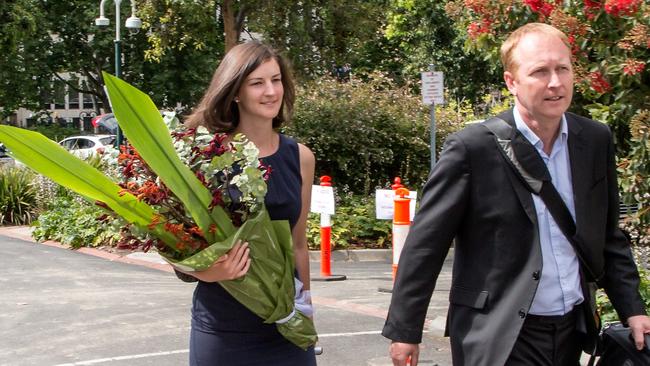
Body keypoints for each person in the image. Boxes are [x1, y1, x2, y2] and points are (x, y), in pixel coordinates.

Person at [382, 22, 650, 366]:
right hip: (499, 333)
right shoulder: (471, 149)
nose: (555, 82)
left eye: (563, 69)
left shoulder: (595, 139)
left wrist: (632, 308)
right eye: (539, 72)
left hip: (571, 330)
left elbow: (608, 236)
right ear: (512, 82)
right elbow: (425, 246)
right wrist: (405, 331)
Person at [178, 41, 317, 365]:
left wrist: (306, 311)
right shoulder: (206, 160)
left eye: (276, 80)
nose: (271, 91)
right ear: (235, 92)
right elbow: (177, 246)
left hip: (285, 328)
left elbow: (298, 245)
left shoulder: (300, 158)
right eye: (257, 83)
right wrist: (208, 272)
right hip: (223, 331)